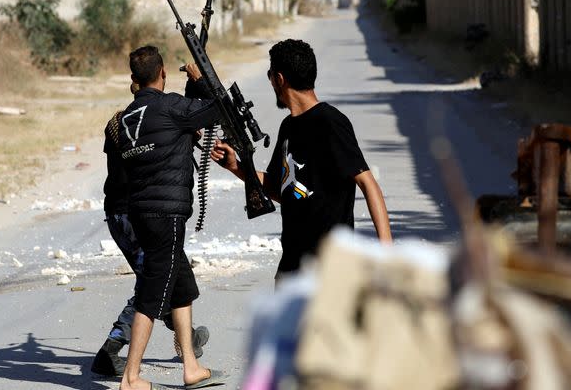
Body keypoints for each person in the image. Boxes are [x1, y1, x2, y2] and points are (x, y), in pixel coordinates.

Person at [211, 39, 393, 284]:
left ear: (280, 78)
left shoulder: (330, 122)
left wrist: (387, 253)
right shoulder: (288, 127)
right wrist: (237, 167)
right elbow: (281, 189)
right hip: (292, 265)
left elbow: (367, 183)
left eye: (270, 75)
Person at [118, 46, 228, 390]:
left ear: (134, 80)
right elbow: (219, 110)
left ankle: (191, 367)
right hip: (167, 213)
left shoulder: (125, 119)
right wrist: (202, 79)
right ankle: (130, 378)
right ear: (163, 73)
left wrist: (193, 94)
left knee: (181, 287)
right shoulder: (170, 107)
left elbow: (180, 124)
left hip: (141, 213)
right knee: (153, 294)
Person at [91, 81, 209, 377]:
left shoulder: (120, 122)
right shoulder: (150, 119)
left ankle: (187, 342)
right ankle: (113, 349)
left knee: (170, 275)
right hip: (137, 212)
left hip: (120, 214)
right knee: (155, 278)